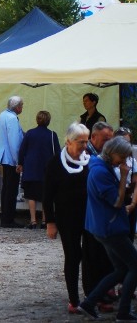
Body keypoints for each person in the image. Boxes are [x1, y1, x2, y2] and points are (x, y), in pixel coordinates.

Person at [77, 138, 137, 321]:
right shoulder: (100, 172)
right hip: (110, 228)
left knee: (120, 269)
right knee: (134, 267)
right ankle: (123, 312)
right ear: (112, 153)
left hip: (103, 226)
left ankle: (89, 303)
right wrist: (125, 177)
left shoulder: (99, 166)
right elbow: (117, 201)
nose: (124, 162)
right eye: (123, 157)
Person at [43, 123, 91, 314]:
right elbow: (47, 196)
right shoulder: (55, 163)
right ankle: (74, 299)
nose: (84, 146)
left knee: (89, 256)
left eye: (86, 142)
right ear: (69, 142)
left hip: (88, 217)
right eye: (81, 142)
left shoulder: (90, 160)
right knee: (73, 256)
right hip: (66, 218)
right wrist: (50, 222)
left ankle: (91, 295)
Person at [81, 121, 115, 305]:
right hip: (89, 212)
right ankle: (92, 292)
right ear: (93, 137)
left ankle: (102, 288)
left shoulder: (106, 156)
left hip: (102, 213)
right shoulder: (85, 155)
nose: (108, 143)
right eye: (105, 139)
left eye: (110, 140)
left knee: (103, 253)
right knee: (91, 254)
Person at [17, 111, 60, 229]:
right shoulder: (52, 135)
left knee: (31, 196)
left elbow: (22, 150)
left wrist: (20, 163)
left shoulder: (30, 133)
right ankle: (45, 221)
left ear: (37, 120)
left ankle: (33, 221)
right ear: (49, 121)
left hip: (31, 168)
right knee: (46, 196)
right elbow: (57, 153)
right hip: (47, 169)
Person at [0, 96, 25, 228]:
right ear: (17, 107)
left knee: (6, 188)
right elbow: (14, 142)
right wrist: (18, 161)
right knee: (11, 190)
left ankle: (5, 217)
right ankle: (8, 219)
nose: (22, 108)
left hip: (3, 156)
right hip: (10, 158)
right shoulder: (12, 118)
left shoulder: (3, 114)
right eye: (21, 106)